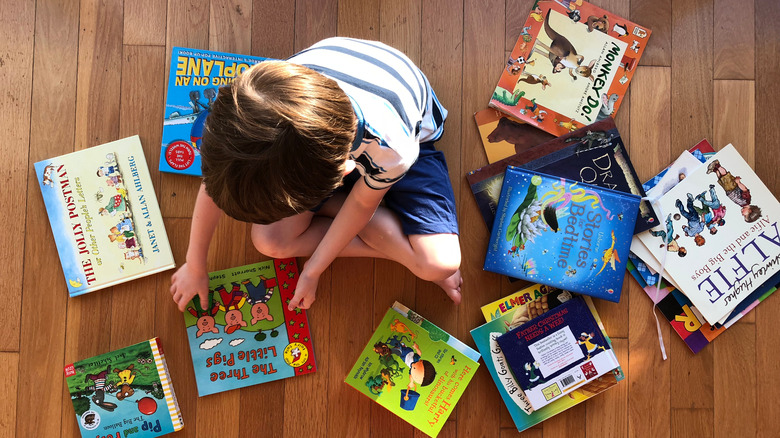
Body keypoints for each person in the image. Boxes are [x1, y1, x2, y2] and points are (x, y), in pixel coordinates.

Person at [169, 37, 462, 312]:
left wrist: (313, 269)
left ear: (345, 173)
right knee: (269, 242)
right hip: (319, 127)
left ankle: (353, 216)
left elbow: (361, 203)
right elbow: (216, 179)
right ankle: (354, 217)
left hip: (403, 138)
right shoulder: (247, 108)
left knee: (439, 264)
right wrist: (194, 264)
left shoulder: (393, 149)